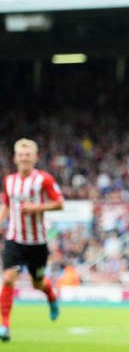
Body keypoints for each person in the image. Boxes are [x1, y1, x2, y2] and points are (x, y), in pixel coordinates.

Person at [0, 138, 64, 342]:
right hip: (14, 240)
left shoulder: (43, 179)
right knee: (9, 278)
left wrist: (37, 208)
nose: (24, 158)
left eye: (28, 155)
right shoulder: (9, 180)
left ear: (35, 157)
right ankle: (5, 326)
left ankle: (51, 296)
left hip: (37, 243)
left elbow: (59, 203)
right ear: (15, 157)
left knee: (37, 283)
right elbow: (7, 205)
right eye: (21, 155)